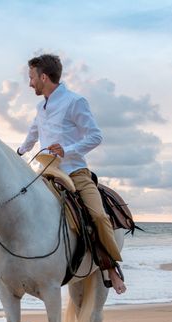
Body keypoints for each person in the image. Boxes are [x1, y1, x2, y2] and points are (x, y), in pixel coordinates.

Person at [17, 53, 126, 294]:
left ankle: (111, 267)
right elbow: (33, 133)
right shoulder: (40, 106)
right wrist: (19, 152)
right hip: (46, 173)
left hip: (74, 171)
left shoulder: (75, 101)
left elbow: (95, 135)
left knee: (98, 215)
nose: (30, 83)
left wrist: (68, 150)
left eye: (32, 77)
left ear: (44, 77)